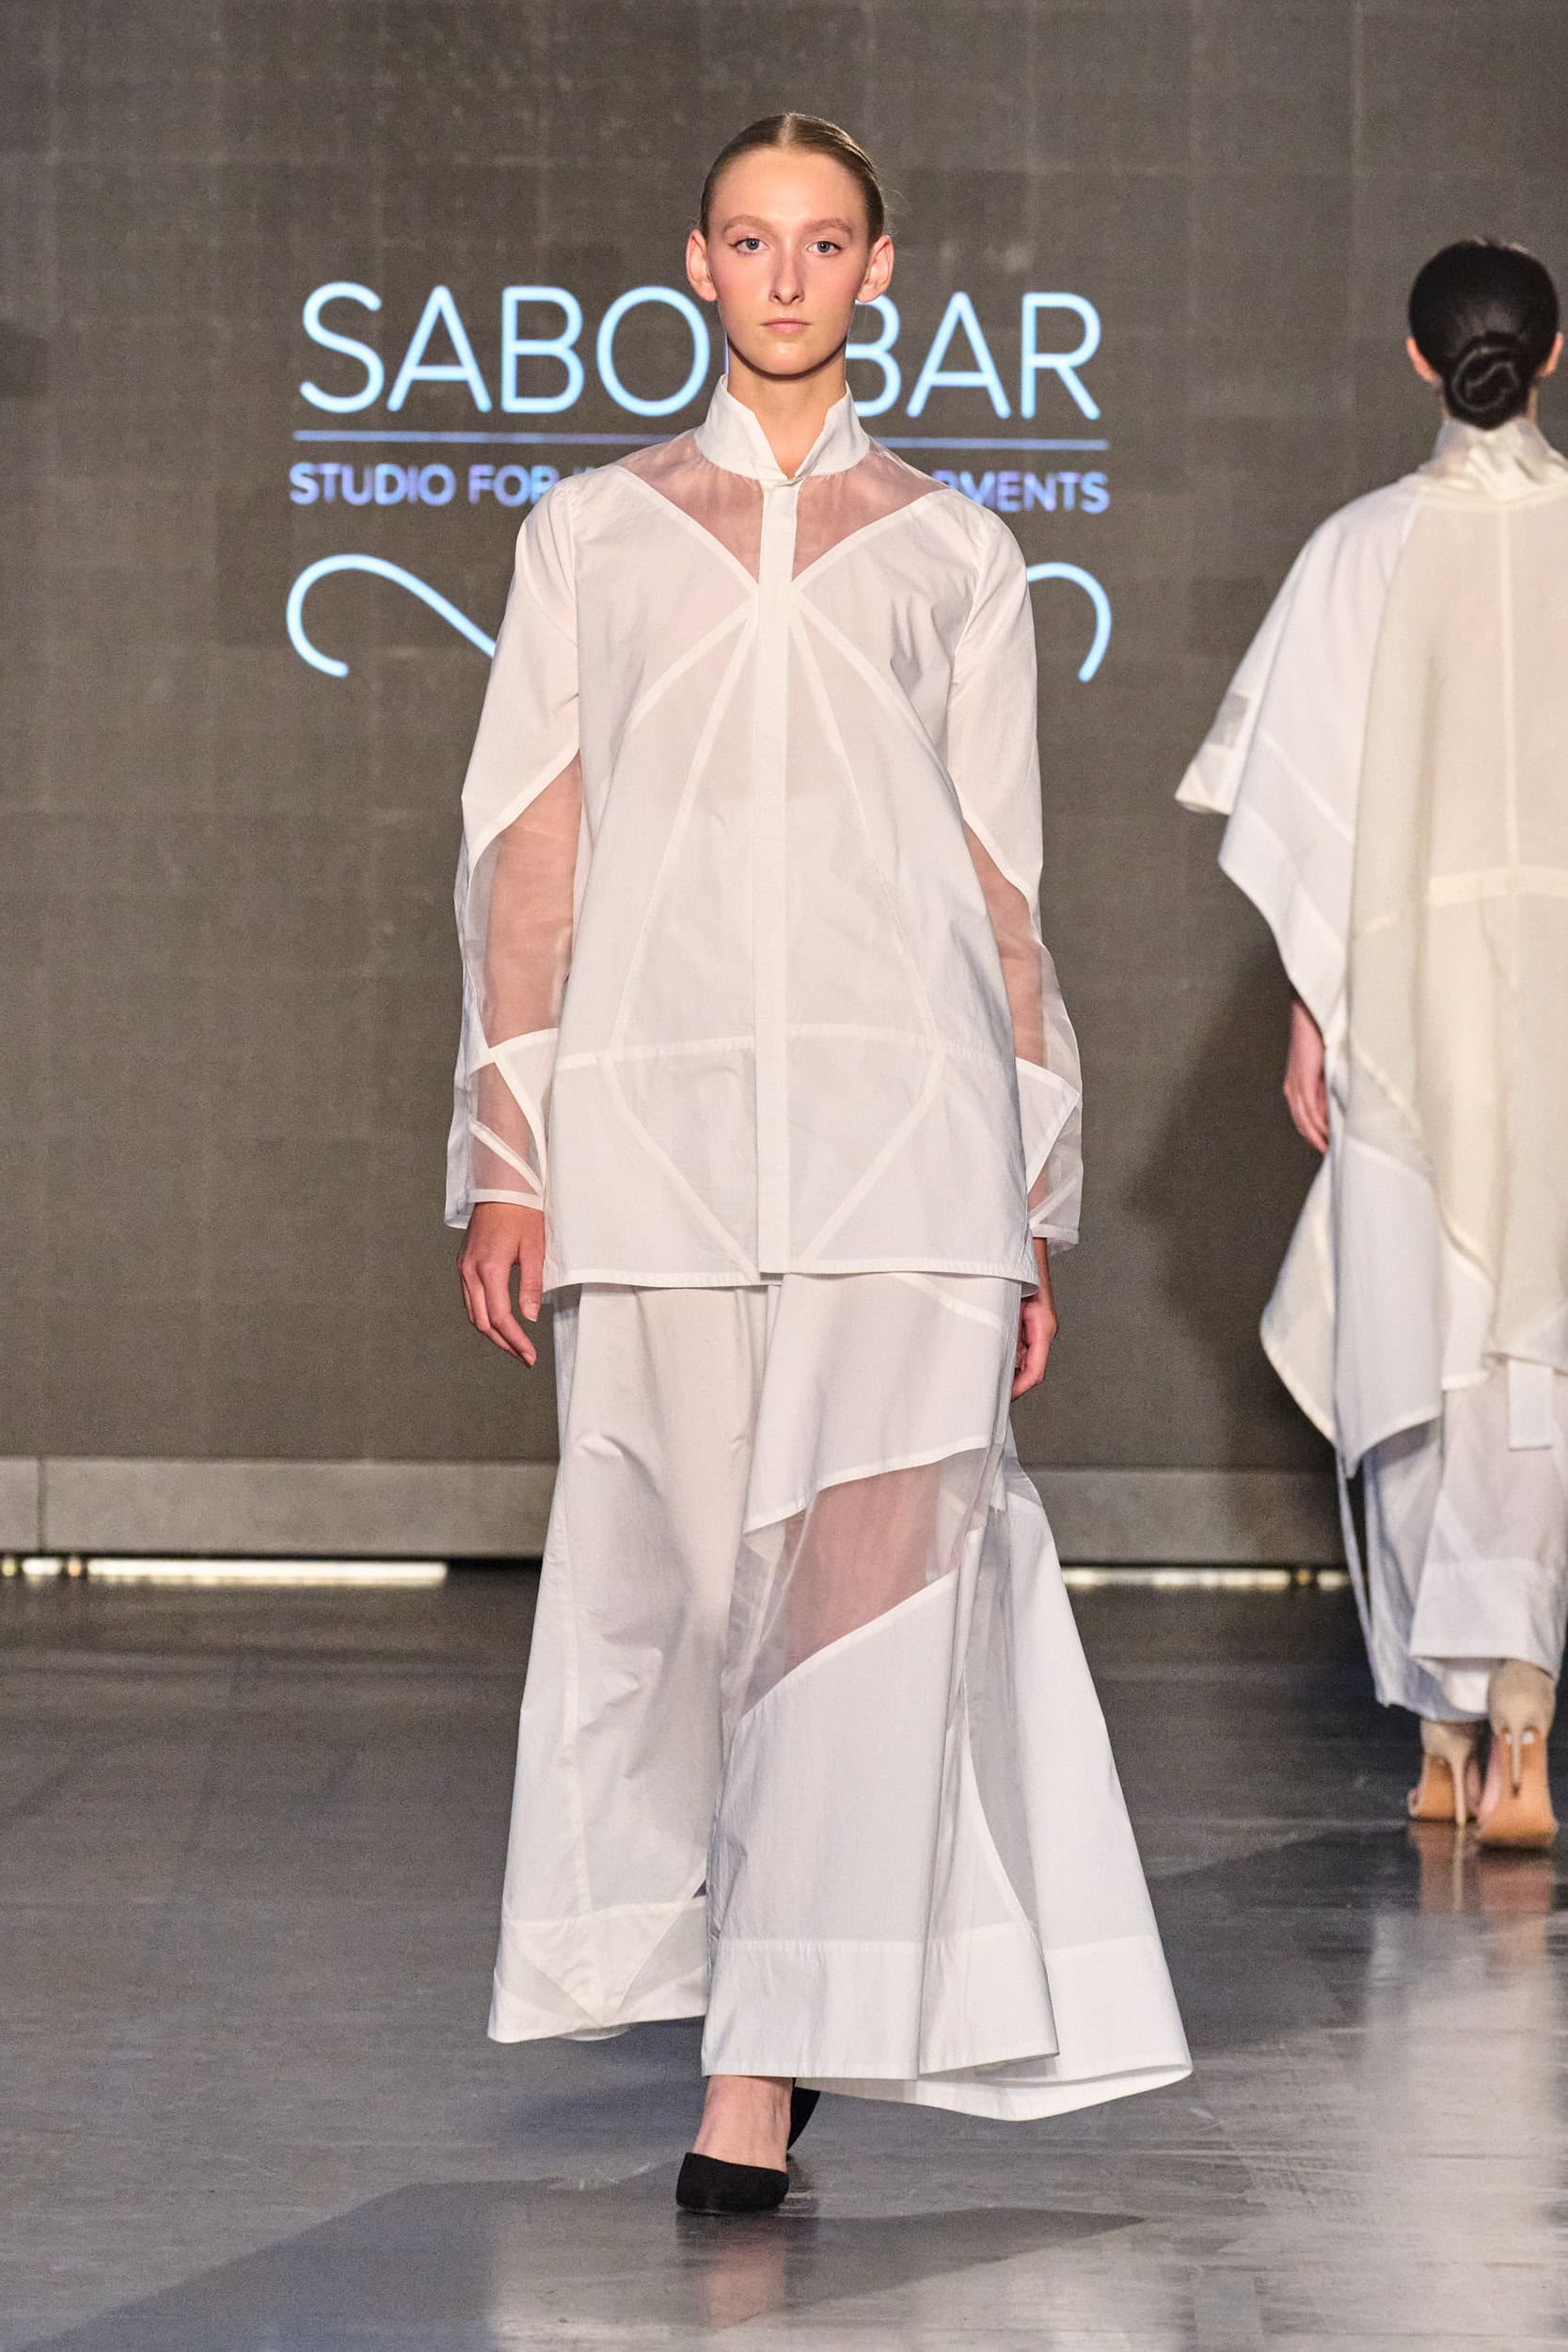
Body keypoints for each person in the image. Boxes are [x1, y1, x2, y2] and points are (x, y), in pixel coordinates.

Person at [451, 111, 1189, 2214]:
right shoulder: (591, 534)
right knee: (698, 1600)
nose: (788, 277)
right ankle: (761, 1994)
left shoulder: (958, 552)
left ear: (881, 268)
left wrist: (1030, 1191)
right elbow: (528, 851)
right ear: (697, 261)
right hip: (656, 1128)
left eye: (826, 242)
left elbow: (1002, 888)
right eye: (752, 241)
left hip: (908, 1139)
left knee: (857, 1613)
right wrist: (509, 1146)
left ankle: (755, 2070)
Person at [1179, 239, 1568, 1849]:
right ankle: (1525, 1709)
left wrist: (1314, 1008)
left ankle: (1440, 1728)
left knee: (1418, 1326)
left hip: (1411, 1005)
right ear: (1552, 354)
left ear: (1418, 360)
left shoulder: (1356, 553)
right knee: (1537, 1345)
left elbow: (1306, 824)